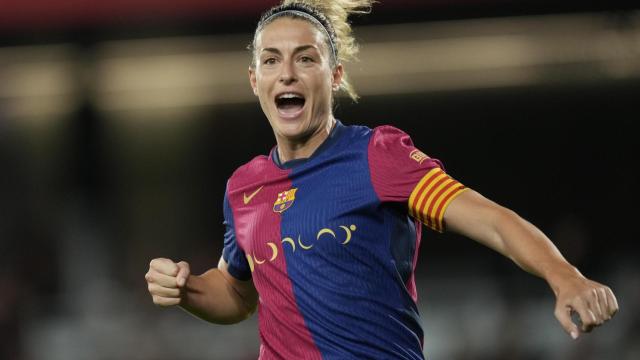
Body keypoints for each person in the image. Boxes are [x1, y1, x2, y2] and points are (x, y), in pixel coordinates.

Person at [145, 1, 619, 358]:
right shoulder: (243, 187)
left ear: (334, 76)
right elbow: (237, 293)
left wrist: (566, 277)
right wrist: (185, 289)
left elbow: (492, 220)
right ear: (254, 80)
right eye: (271, 61)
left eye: (306, 59)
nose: (286, 73)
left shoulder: (378, 156)